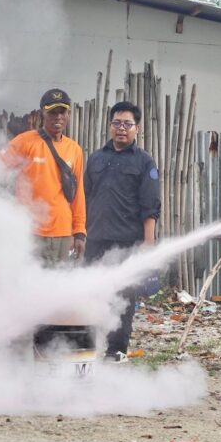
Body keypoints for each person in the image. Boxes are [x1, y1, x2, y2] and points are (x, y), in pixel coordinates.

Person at [84, 101, 161, 362]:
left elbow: (150, 207)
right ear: (110, 125)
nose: (121, 129)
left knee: (123, 299)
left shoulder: (144, 162)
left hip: (127, 242)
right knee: (90, 294)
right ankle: (87, 347)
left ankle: (115, 351)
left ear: (137, 129)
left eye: (127, 124)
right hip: (95, 240)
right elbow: (86, 197)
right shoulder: (95, 158)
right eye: (117, 123)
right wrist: (82, 234)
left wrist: (148, 244)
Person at [1, 88, 86, 266]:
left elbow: (78, 195)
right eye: (52, 112)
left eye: (62, 111)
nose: (58, 117)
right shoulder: (25, 142)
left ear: (68, 114)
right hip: (29, 231)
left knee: (58, 286)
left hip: (62, 232)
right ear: (42, 114)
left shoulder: (75, 150)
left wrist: (79, 232)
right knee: (27, 282)